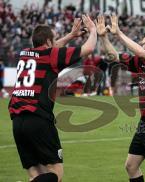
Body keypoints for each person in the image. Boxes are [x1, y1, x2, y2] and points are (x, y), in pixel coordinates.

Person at [8, 16, 97, 182]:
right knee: (56, 173)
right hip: (38, 118)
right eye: (54, 39)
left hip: (17, 121)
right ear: (48, 41)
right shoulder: (50, 56)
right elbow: (88, 48)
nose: (56, 42)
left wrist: (71, 35)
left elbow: (51, 48)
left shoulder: (24, 54)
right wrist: (93, 30)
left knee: (36, 173)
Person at [95, 15, 145, 182]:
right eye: (142, 43)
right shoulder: (140, 62)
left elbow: (138, 51)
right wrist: (103, 38)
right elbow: (114, 57)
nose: (142, 46)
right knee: (131, 166)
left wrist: (118, 34)